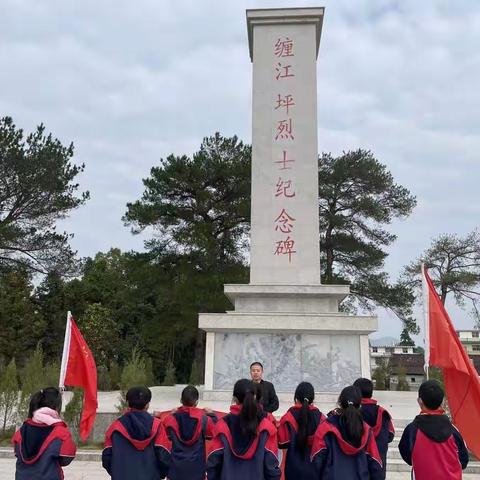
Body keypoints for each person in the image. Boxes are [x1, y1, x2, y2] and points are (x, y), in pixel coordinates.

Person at [206, 378, 281, 480]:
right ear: (255, 396)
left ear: (234, 399)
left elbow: (213, 462)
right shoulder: (266, 427)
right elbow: (272, 465)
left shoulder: (222, 425)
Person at [398, 379, 469, 480]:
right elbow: (463, 460)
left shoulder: (411, 430)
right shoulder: (454, 431)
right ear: (442, 401)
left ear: (420, 401)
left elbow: (408, 457)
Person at [311, 385, 383, 480]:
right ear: (360, 405)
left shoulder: (325, 427)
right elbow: (375, 464)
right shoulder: (366, 430)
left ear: (340, 403)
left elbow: (317, 460)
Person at [102, 386, 170, 480]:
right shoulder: (157, 426)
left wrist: (117, 472)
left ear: (127, 403)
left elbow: (106, 457)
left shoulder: (115, 428)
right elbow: (164, 456)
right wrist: (160, 474)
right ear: (147, 404)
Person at [12, 387, 76, 480]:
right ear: (57, 407)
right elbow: (66, 458)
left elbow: (17, 453)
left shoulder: (21, 432)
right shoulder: (61, 433)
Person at [163, 385, 217, 480]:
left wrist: (170, 414)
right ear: (196, 402)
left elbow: (165, 434)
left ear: (180, 400)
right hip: (197, 471)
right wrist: (212, 415)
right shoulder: (204, 420)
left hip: (176, 470)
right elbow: (214, 432)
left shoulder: (170, 419)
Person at [278, 381, 325, 480]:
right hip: (316, 469)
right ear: (312, 399)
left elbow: (282, 443)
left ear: (296, 398)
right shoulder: (322, 418)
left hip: (293, 470)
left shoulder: (288, 418)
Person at [353, 377, 394, 478]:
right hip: (378, 465)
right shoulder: (383, 413)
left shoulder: (352, 413)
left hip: (358, 466)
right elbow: (390, 435)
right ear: (371, 393)